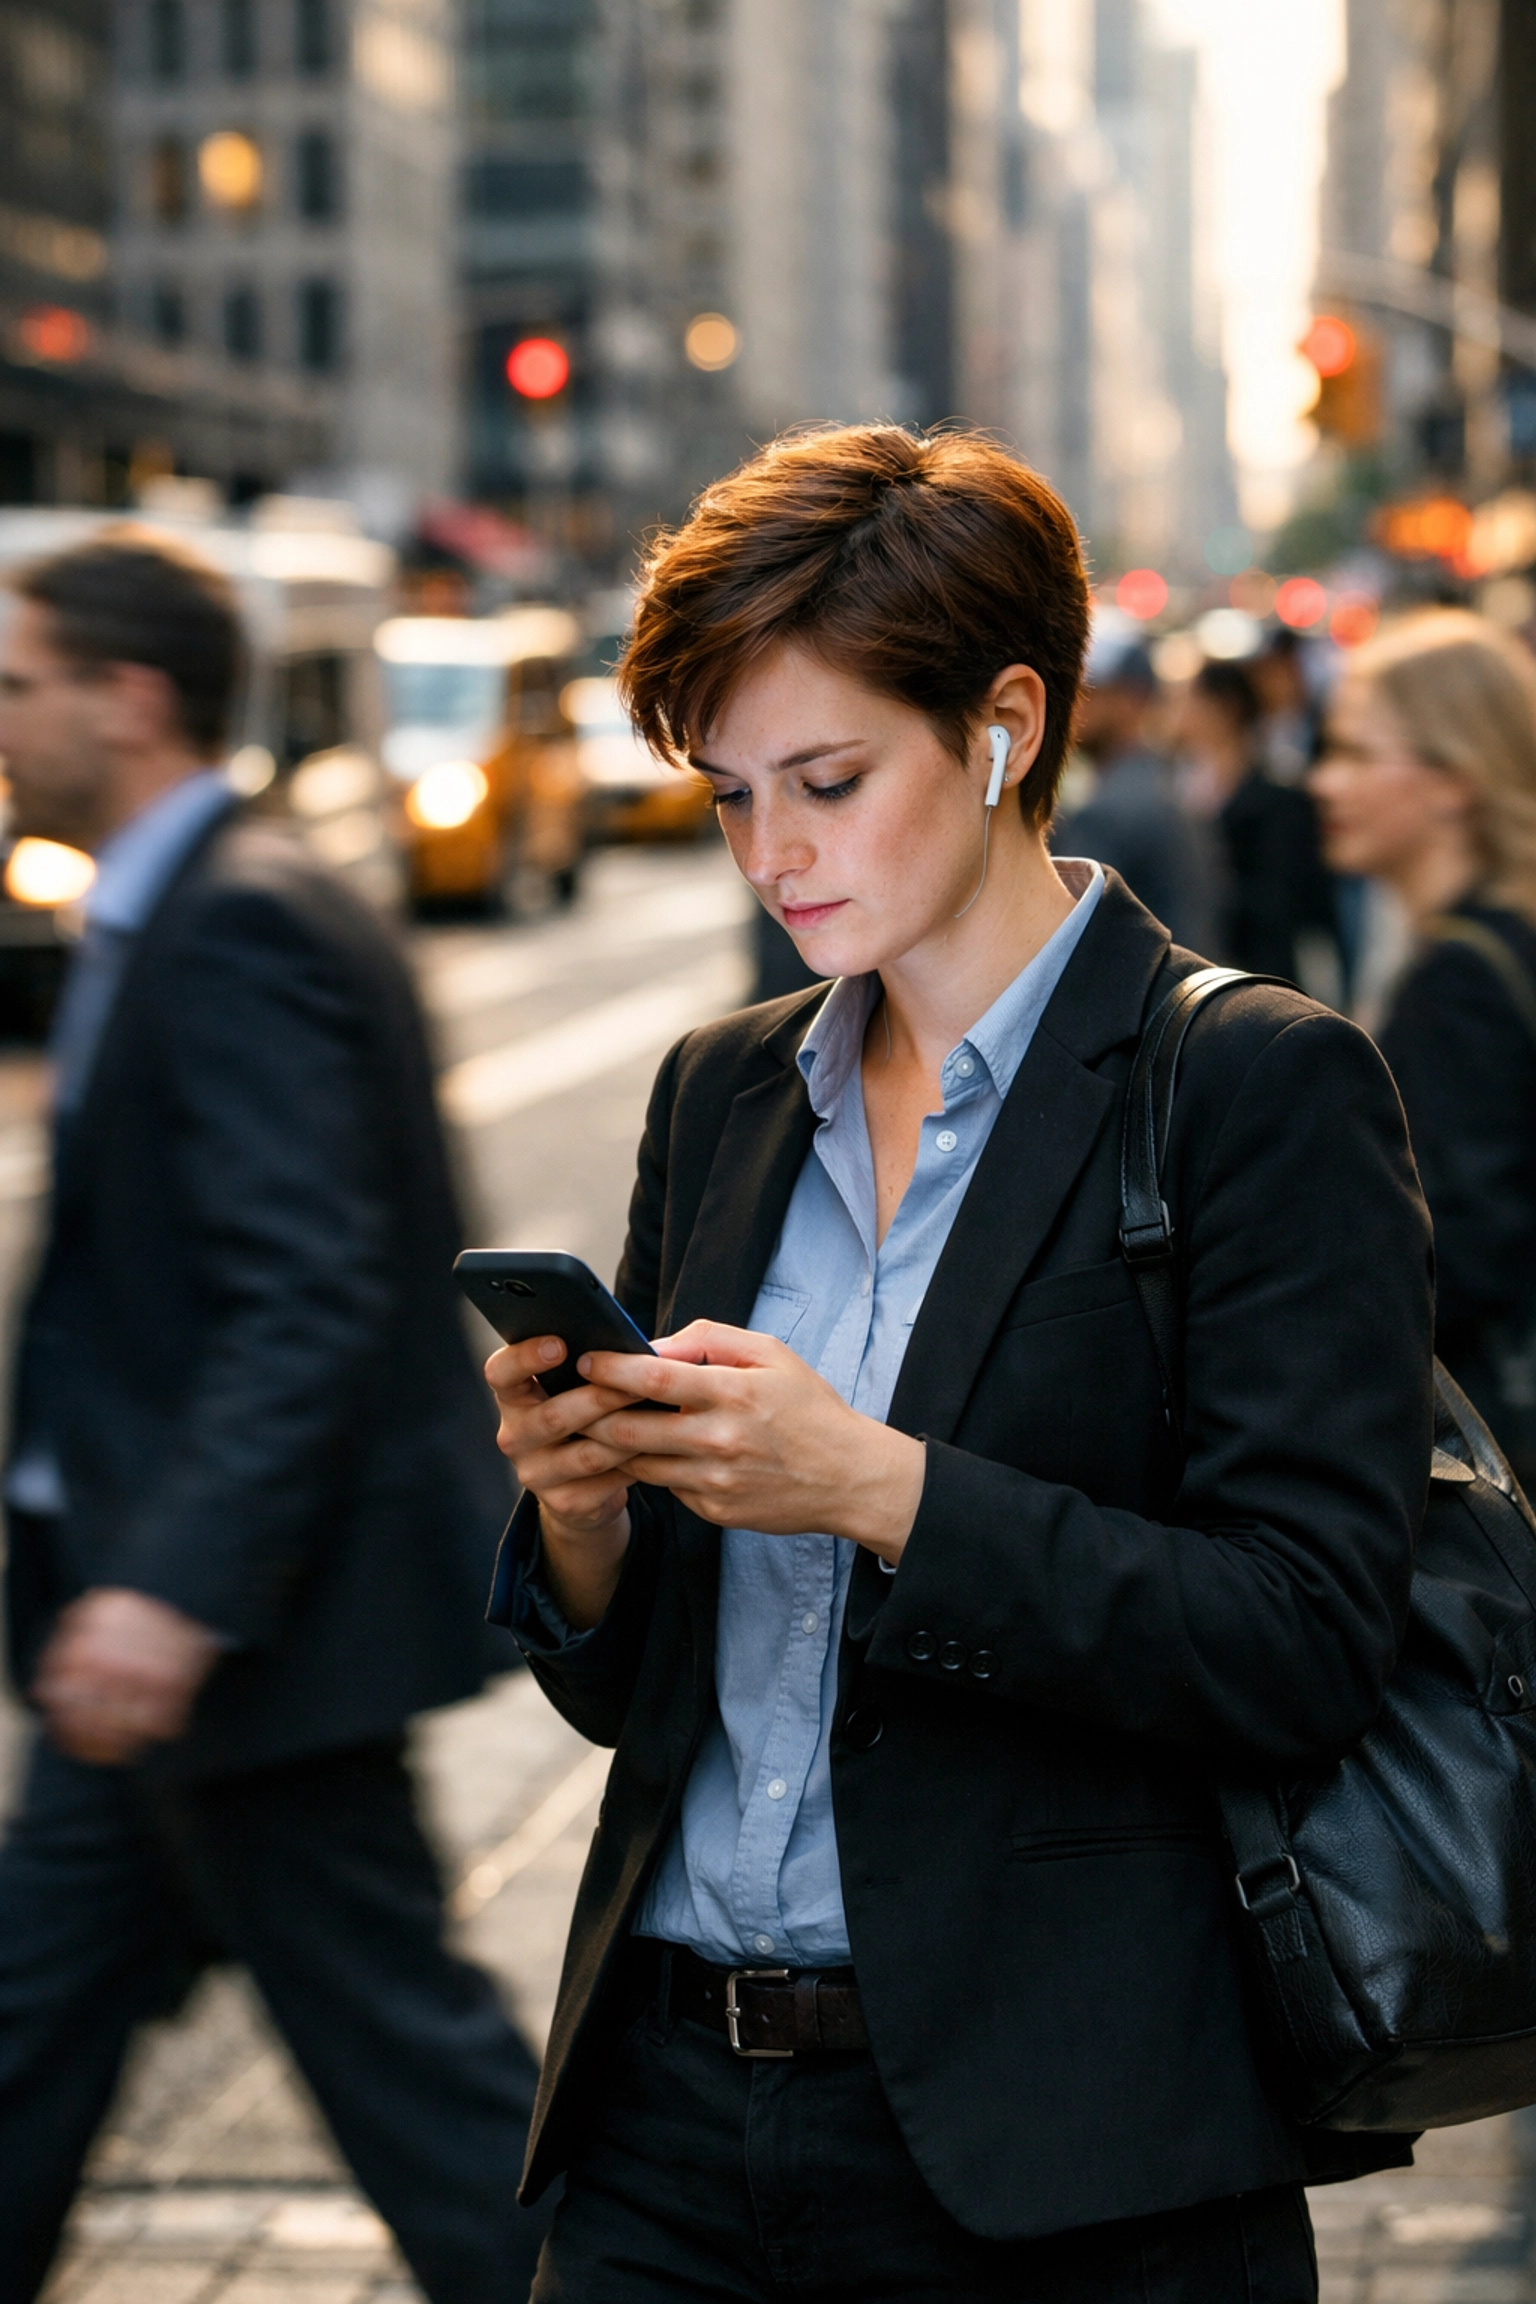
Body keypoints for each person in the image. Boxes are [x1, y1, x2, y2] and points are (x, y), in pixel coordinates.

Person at [484, 426, 1433, 2302]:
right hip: (664, 2127)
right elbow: (648, 1688)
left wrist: (873, 1485)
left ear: (1003, 725)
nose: (772, 851)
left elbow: (1304, 1634)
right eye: (731, 795)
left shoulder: (1249, 1085)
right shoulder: (727, 1087)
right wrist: (586, 1515)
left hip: (1060, 2156)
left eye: (826, 779)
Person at [0, 530, 548, 2304]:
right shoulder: (197, 900)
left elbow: (304, 1298)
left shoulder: (238, 920)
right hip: (167, 1625)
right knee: (28, 2026)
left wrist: (172, 1589)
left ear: (127, 695)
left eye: (19, 685)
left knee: (418, 2073)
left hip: (238, 1631)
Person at [1310, 609, 1536, 1483]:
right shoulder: (1482, 949)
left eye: (1361, 754)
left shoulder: (1464, 982)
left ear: (1455, 778)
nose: (1327, 783)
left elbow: (1453, 1256)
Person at [1178, 656, 1340, 990]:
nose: (1183, 716)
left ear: (1225, 708)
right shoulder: (1183, 784)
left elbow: (1285, 902)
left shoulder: (1275, 796)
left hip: (1259, 970)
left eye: (1193, 702)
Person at [1052, 623, 1215, 950]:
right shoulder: (1161, 776)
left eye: (1088, 691)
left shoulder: (1115, 807)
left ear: (1132, 698)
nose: (1073, 704)